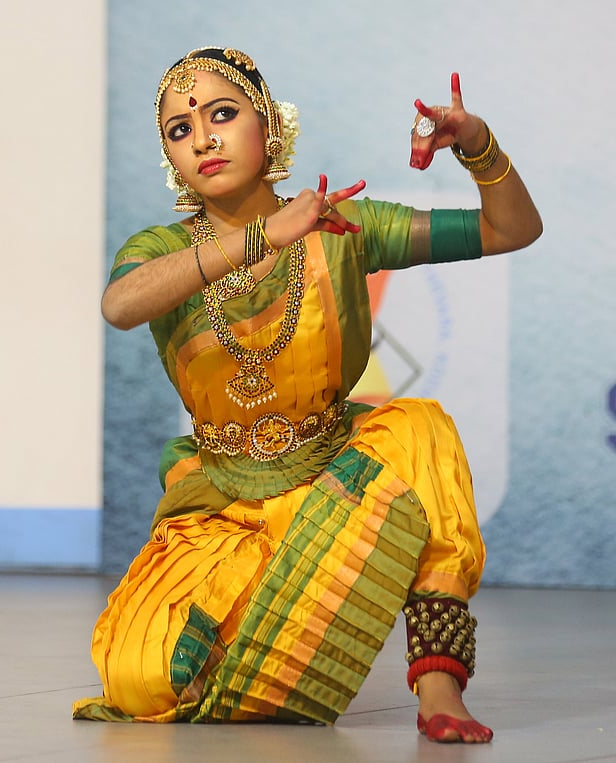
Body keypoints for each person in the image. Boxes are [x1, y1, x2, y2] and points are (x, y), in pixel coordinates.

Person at [73, 46, 542, 742]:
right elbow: (119, 304)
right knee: (137, 676)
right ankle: (282, 648)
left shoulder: (344, 229)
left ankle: (438, 681)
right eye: (179, 128)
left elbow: (512, 229)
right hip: (225, 505)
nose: (202, 137)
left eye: (222, 114)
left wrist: (479, 146)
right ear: (170, 157)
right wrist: (261, 237)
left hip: (330, 481)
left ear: (269, 128)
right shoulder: (161, 248)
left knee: (420, 433)